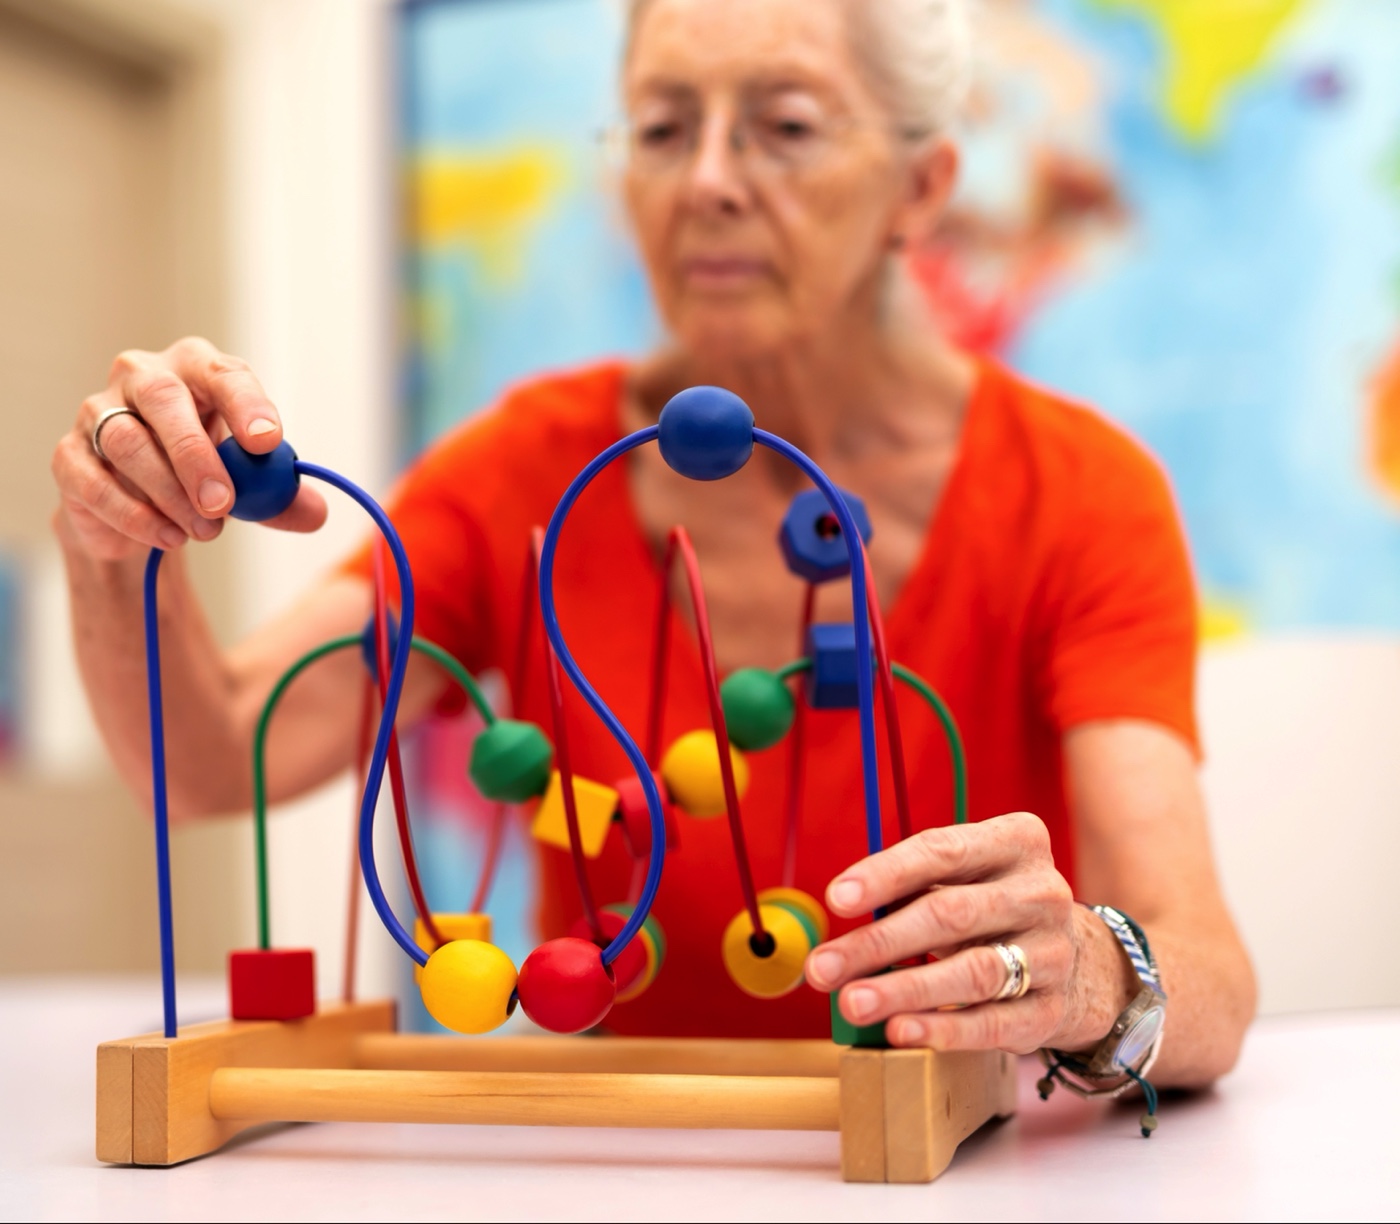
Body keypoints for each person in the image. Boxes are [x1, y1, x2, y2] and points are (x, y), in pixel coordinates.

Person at [50, 0, 1254, 1092]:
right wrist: (114, 541)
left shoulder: (1078, 492)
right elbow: (211, 752)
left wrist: (1098, 977)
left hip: (958, 1174)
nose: (708, 182)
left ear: (919, 187)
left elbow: (1198, 967)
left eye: (783, 127)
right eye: (662, 130)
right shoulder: (521, 474)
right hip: (628, 1164)